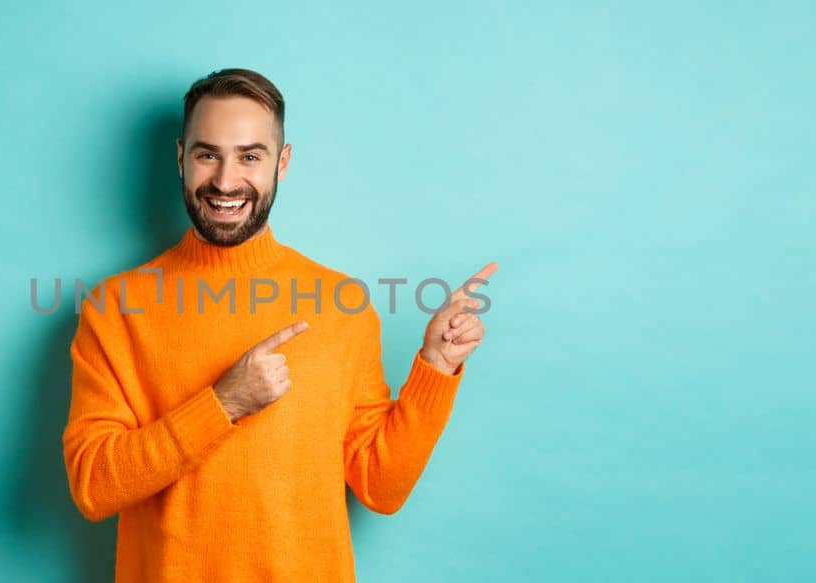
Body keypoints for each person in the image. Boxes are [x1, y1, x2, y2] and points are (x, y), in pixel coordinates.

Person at [61, 67, 496, 582]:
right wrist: (223, 404)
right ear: (180, 158)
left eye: (250, 156)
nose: (225, 181)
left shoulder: (342, 304)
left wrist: (435, 367)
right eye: (207, 154)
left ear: (281, 163)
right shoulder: (115, 307)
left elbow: (381, 486)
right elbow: (93, 486)